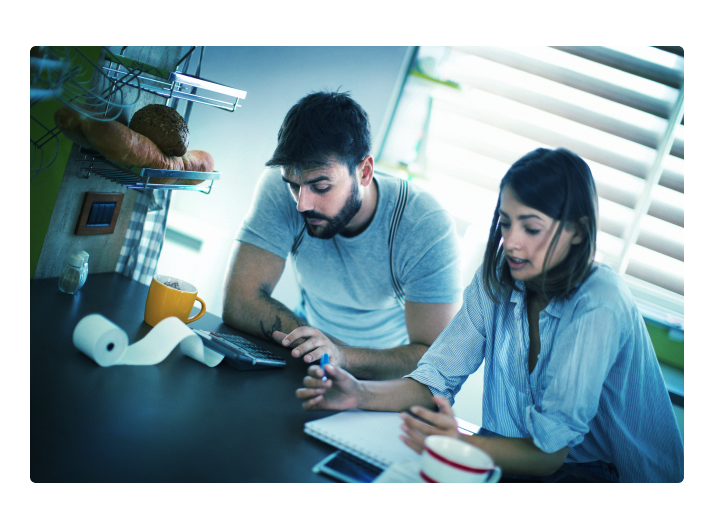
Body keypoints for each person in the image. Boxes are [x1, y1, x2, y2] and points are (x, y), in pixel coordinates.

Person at [295, 147, 685, 483]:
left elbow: (550, 454)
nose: (512, 242)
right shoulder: (499, 279)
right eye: (505, 222)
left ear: (578, 233)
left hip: (605, 474)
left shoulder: (600, 300)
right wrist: (358, 392)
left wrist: (458, 443)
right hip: (517, 459)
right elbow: (434, 379)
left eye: (531, 228)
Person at [223, 90, 462, 380]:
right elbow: (239, 301)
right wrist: (322, 350)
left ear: (365, 171)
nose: (302, 204)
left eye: (321, 187)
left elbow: (433, 357)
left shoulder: (423, 224)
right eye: (294, 185)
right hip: (309, 361)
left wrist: (340, 355)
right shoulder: (280, 187)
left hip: (382, 382)